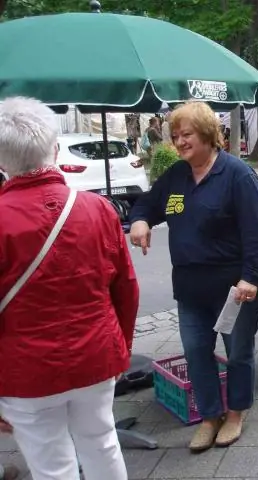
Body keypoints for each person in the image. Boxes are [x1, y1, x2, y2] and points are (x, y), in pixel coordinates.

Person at [0, 97, 138, 480]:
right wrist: (121, 348)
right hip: (96, 356)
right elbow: (125, 288)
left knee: (51, 466)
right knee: (103, 443)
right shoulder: (99, 210)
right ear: (55, 149)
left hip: (24, 371)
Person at [129, 101, 258, 452]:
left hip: (233, 289)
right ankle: (210, 416)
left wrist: (251, 278)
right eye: (175, 135)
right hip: (191, 289)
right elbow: (148, 203)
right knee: (196, 352)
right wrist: (140, 220)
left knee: (238, 352)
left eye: (186, 134)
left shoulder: (237, 175)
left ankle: (236, 412)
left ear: (208, 135)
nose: (179, 142)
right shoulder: (177, 176)